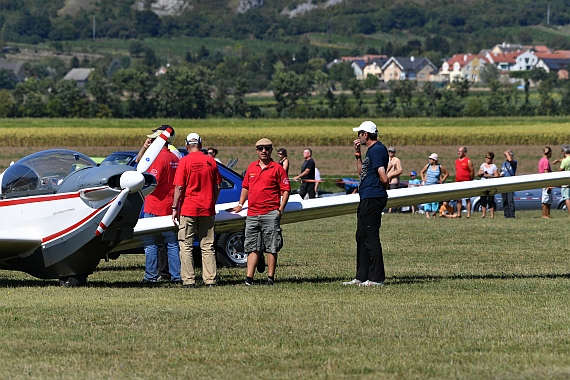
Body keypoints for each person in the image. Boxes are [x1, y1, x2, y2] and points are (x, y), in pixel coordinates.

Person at [230, 138, 290, 286]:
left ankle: (270, 278)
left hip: (271, 212)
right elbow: (245, 187)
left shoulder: (277, 168)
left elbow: (286, 190)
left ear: (271, 150)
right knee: (251, 246)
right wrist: (240, 204)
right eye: (261, 148)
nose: (264, 151)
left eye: (267, 148)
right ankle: (249, 278)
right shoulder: (251, 168)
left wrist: (280, 209)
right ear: (257, 150)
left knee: (272, 246)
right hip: (252, 213)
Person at [172, 133, 222, 288]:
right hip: (207, 208)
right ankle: (210, 280)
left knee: (185, 245)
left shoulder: (184, 161)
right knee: (207, 245)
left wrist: (174, 207)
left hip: (188, 208)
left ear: (187, 145)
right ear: (201, 144)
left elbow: (179, 187)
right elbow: (217, 185)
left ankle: (189, 280)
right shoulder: (210, 161)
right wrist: (211, 201)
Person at [343, 121, 389, 287]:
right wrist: (357, 154)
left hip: (373, 197)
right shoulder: (371, 151)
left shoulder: (377, 150)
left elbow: (384, 177)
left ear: (366, 135)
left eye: (359, 133)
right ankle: (361, 276)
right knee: (361, 236)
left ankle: (377, 278)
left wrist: (379, 186)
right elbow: (361, 173)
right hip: (366, 196)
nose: (358, 137)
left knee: (370, 237)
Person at [140, 125, 181, 285]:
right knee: (172, 244)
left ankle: (150, 276)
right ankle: (176, 276)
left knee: (150, 244)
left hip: (154, 206)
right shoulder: (174, 158)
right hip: (170, 207)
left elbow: (151, 182)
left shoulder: (158, 159)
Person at [420, 153, 449, 219]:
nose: (429, 160)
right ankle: (427, 215)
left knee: (435, 201)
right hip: (427, 186)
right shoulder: (428, 166)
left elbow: (447, 174)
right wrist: (423, 179)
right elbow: (422, 172)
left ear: (434, 160)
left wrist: (442, 180)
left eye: (431, 159)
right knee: (427, 200)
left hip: (436, 187)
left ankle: (434, 215)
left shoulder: (440, 167)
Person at [454, 146, 475, 218]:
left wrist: (469, 179)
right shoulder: (456, 161)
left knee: (467, 198)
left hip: (466, 181)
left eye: (460, 151)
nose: (459, 152)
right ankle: (459, 213)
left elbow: (472, 172)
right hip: (458, 181)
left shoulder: (468, 161)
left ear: (464, 152)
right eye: (458, 151)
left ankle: (468, 213)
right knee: (458, 199)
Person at [477, 151, 499, 218]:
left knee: (490, 200)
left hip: (490, 185)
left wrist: (490, 176)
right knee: (483, 199)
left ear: (491, 158)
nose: (487, 159)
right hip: (483, 184)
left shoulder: (494, 166)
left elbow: (496, 175)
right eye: (486, 157)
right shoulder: (483, 165)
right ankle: (483, 214)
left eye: (488, 158)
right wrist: (481, 173)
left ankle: (492, 215)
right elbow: (478, 174)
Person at [500, 150, 517, 218]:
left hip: (510, 183)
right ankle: (506, 214)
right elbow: (501, 171)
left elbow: (510, 160)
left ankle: (512, 214)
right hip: (503, 183)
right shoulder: (503, 164)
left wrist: (508, 154)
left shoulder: (514, 163)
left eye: (508, 155)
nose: (506, 157)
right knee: (504, 200)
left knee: (510, 200)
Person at [538, 146, 553, 219]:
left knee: (548, 199)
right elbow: (546, 172)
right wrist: (548, 184)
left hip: (544, 181)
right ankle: (544, 214)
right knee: (545, 199)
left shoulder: (542, 160)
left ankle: (548, 214)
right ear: (549, 153)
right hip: (546, 182)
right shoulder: (545, 161)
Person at [386, 147, 402, 212]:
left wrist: (392, 174)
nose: (390, 153)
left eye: (392, 152)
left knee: (393, 195)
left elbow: (400, 171)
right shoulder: (387, 159)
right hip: (386, 180)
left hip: (393, 181)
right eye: (389, 151)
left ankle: (391, 210)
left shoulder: (396, 160)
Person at [557, 145, 570, 215]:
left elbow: (560, 170)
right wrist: (558, 160)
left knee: (567, 198)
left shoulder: (565, 161)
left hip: (566, 181)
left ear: (564, 152)